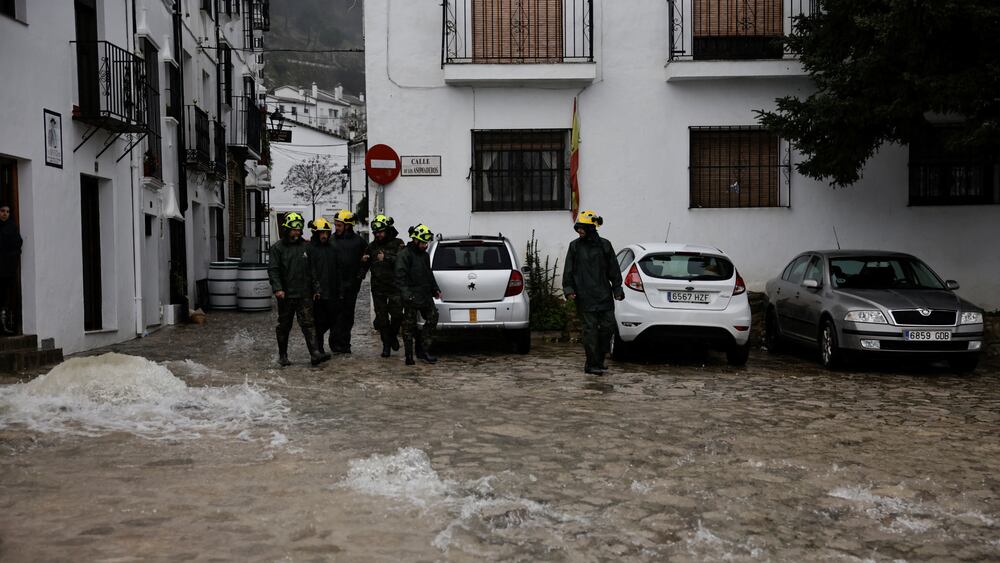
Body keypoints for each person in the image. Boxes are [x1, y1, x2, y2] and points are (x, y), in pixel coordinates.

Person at [562, 210, 624, 375]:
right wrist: (569, 290)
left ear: (591, 227)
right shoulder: (574, 246)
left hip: (604, 296)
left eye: (582, 227)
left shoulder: (605, 245)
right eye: (578, 228)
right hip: (584, 297)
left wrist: (617, 289)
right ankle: (591, 364)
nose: (579, 231)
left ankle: (599, 360)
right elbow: (568, 270)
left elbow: (614, 270)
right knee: (590, 331)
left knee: (608, 327)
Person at [268, 212, 326, 367]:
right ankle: (283, 355)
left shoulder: (306, 247)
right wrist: (278, 289)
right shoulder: (277, 248)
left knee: (308, 323)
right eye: (294, 229)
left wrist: (316, 288)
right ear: (287, 229)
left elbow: (312, 269)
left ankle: (314, 353)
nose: (297, 232)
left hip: (304, 293)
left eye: (299, 229)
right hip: (286, 294)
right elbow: (273, 270)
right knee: (284, 325)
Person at [359, 214, 406, 358]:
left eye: (380, 232)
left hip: (395, 287)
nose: (378, 235)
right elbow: (365, 266)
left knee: (397, 315)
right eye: (376, 233)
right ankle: (386, 345)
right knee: (382, 319)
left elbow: (402, 261)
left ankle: (392, 336)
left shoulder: (398, 243)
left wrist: (386, 257)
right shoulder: (372, 246)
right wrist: (363, 262)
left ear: (387, 230)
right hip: (378, 288)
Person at [394, 224, 441, 366]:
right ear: (415, 240)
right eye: (423, 243)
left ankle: (423, 350)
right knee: (409, 327)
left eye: (426, 243)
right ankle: (409, 356)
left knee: (433, 317)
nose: (425, 245)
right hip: (411, 297)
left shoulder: (425, 256)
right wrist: (407, 295)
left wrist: (435, 289)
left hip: (425, 295)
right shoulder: (405, 255)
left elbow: (429, 274)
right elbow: (400, 278)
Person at [330, 209, 368, 354]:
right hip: (335, 286)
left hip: (352, 286)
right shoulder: (331, 241)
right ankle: (335, 344)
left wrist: (361, 275)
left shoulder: (359, 242)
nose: (336, 228)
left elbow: (367, 260)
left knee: (348, 315)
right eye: (336, 225)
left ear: (348, 225)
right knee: (335, 315)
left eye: (339, 225)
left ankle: (345, 344)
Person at [307, 217, 337, 361]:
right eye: (321, 233)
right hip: (317, 294)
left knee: (331, 320)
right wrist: (314, 289)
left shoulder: (332, 248)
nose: (324, 235)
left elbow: (337, 269)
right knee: (318, 322)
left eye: (326, 232)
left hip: (331, 292)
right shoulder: (310, 249)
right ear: (316, 233)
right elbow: (310, 271)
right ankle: (318, 350)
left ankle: (319, 347)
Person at [0, 204, 22, 335]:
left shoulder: (12, 227)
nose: (5, 214)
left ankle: (4, 325)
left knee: (4, 297)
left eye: (7, 211)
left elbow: (18, 243)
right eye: (2, 211)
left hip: (7, 269)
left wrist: (13, 256)